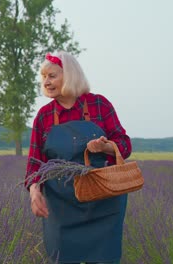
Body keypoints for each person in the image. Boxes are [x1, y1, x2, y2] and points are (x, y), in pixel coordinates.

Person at [25, 51, 132, 264]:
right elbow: (35, 162)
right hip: (62, 206)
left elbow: (125, 145)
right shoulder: (44, 116)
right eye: (44, 76)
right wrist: (34, 190)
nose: (46, 81)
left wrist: (107, 146)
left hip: (104, 203)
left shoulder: (99, 105)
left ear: (71, 76)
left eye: (52, 76)